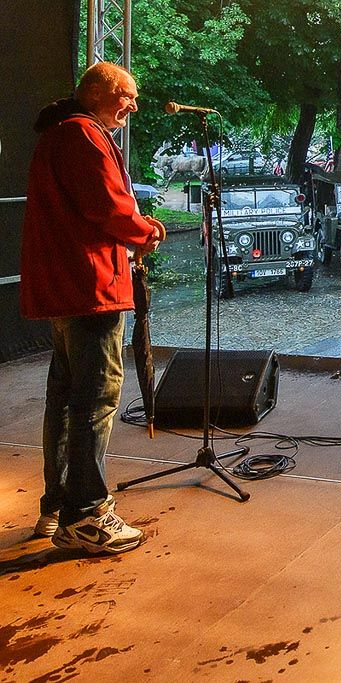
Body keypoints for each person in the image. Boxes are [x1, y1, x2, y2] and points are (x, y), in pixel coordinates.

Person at [20, 61, 163, 554]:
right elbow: (107, 207)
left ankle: (57, 505)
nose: (134, 104)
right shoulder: (83, 135)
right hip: (91, 288)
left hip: (68, 288)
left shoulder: (59, 133)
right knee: (96, 399)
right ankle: (85, 516)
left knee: (65, 396)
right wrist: (147, 231)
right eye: (128, 94)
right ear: (100, 92)